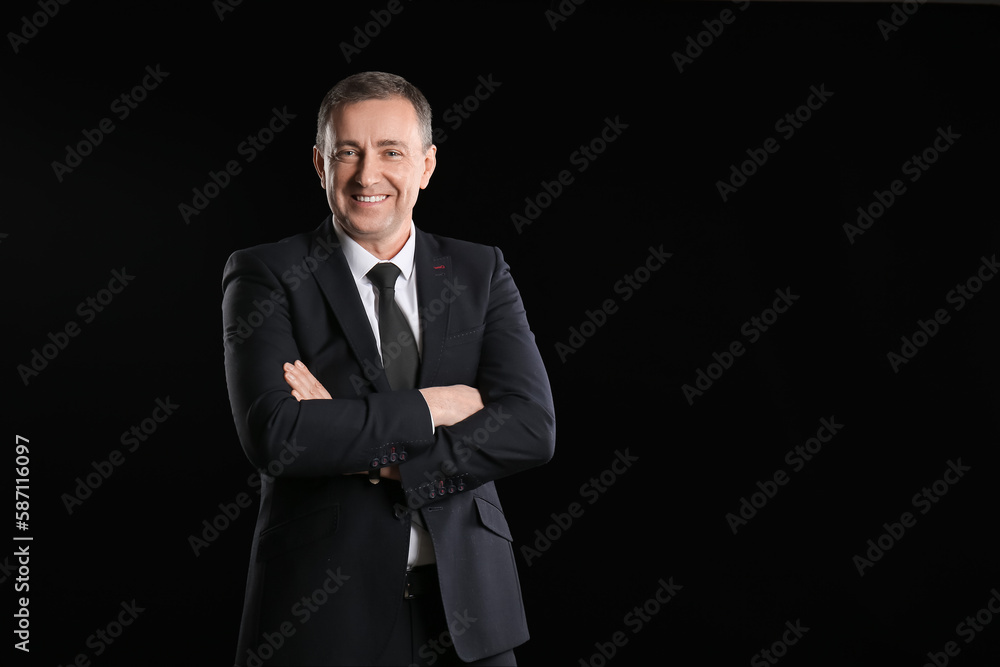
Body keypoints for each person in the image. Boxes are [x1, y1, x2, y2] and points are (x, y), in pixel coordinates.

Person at [222, 71, 555, 666]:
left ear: (426, 165)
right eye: (347, 152)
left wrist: (379, 456)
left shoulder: (480, 271)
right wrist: (439, 406)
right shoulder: (266, 274)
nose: (367, 175)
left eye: (391, 152)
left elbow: (531, 427)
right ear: (320, 164)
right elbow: (277, 435)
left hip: (472, 615)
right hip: (321, 617)